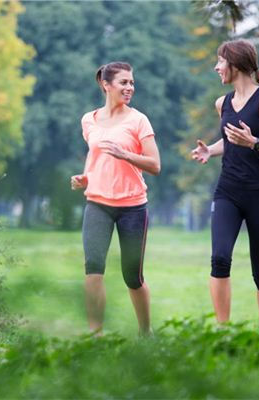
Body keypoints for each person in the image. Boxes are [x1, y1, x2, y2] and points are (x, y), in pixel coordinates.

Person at [191, 40, 259, 327]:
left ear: (235, 63)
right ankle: (222, 331)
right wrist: (210, 150)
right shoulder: (222, 103)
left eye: (220, 61)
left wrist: (255, 142)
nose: (216, 67)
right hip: (228, 192)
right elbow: (231, 139)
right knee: (219, 259)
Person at [71, 61, 161, 336]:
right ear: (106, 85)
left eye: (131, 83)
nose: (129, 87)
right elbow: (94, 153)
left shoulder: (138, 120)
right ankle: (95, 335)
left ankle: (146, 333)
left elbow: (155, 164)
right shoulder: (90, 119)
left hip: (132, 206)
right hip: (98, 203)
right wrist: (86, 177)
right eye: (124, 82)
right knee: (93, 269)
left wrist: (126, 155)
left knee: (132, 277)